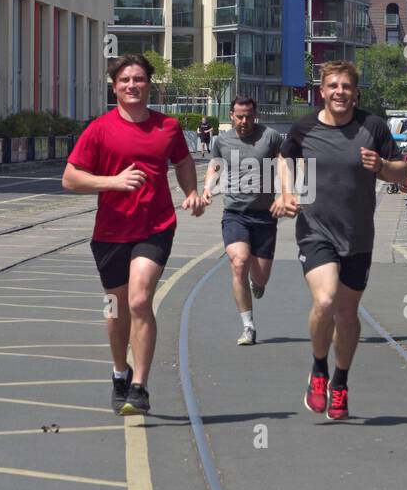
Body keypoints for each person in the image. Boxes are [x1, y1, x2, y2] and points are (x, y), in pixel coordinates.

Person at [63, 54, 207, 416]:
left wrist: (190, 191)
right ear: (114, 87)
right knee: (115, 309)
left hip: (155, 226)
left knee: (140, 300)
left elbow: (183, 161)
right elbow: (70, 178)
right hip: (111, 231)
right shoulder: (99, 129)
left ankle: (140, 386)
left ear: (149, 84)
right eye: (125, 80)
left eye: (139, 79)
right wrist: (113, 182)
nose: (132, 85)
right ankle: (119, 373)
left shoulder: (167, 127)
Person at [272, 61, 407, 421]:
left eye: (346, 86)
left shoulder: (373, 127)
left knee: (347, 314)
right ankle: (318, 370)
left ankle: (341, 380)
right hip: (315, 230)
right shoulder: (304, 127)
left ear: (355, 91)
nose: (340, 92)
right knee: (326, 299)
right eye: (333, 86)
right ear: (322, 91)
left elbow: (404, 172)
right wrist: (286, 192)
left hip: (358, 236)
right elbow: (284, 158)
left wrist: (381, 165)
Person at [203, 96, 284, 345]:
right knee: (239, 262)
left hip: (265, 215)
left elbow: (283, 163)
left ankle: (256, 282)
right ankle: (248, 326)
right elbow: (215, 166)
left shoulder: (270, 137)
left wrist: (286, 193)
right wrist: (208, 188)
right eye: (239, 116)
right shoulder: (222, 141)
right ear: (231, 115)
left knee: (260, 278)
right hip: (235, 213)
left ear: (255, 114)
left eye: (248, 115)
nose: (244, 121)